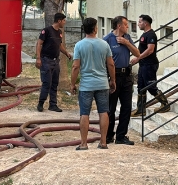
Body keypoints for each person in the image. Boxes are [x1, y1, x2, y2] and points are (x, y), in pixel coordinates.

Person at [71, 17, 116, 150]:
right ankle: (103, 142)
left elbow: (75, 66)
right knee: (103, 112)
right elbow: (111, 64)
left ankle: (84, 143)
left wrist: (73, 83)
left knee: (84, 113)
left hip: (86, 85)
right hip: (102, 83)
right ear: (96, 29)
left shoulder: (79, 45)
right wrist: (112, 80)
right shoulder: (104, 45)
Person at [103, 16, 140, 145]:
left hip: (127, 76)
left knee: (126, 107)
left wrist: (127, 43)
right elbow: (103, 60)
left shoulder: (128, 38)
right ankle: (108, 135)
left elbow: (137, 54)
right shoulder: (107, 40)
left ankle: (121, 136)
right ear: (119, 26)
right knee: (111, 108)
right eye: (126, 24)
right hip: (114, 76)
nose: (127, 27)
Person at [130, 15, 170, 117]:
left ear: (145, 23)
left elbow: (150, 50)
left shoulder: (151, 35)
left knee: (151, 86)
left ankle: (165, 104)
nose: (138, 24)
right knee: (141, 87)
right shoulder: (145, 34)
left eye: (139, 22)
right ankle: (141, 109)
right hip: (143, 64)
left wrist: (138, 58)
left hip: (149, 64)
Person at [35, 12, 72, 112]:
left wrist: (66, 53)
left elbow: (59, 45)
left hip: (56, 62)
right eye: (64, 20)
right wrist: (38, 58)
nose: (65, 22)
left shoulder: (59, 32)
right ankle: (40, 104)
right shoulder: (46, 31)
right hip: (46, 60)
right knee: (47, 83)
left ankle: (53, 105)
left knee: (54, 83)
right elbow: (39, 44)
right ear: (59, 20)